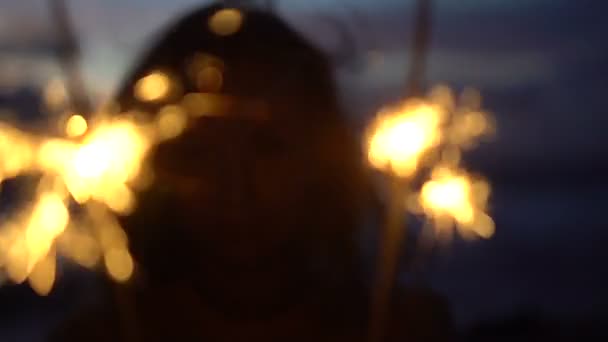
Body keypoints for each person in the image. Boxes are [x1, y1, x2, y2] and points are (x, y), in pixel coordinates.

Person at [53, 3, 451, 341]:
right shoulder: (102, 336)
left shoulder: (399, 329)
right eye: (196, 154)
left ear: (325, 153)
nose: (236, 191)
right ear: (145, 167)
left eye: (267, 148)